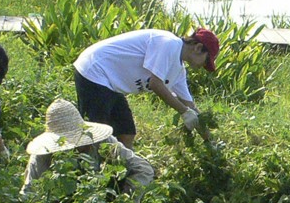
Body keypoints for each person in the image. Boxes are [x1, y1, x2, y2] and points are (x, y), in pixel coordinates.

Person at [72, 28, 219, 149]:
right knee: (96, 134)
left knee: (126, 133)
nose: (204, 67)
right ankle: (83, 173)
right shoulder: (170, 43)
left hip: (111, 83)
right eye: (206, 60)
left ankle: (120, 179)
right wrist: (184, 112)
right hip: (94, 71)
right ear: (198, 48)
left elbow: (190, 105)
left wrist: (209, 140)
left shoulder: (178, 70)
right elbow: (155, 84)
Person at [21, 99, 155, 197]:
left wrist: (126, 200)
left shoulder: (104, 143)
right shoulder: (42, 156)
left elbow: (143, 168)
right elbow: (28, 194)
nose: (80, 148)